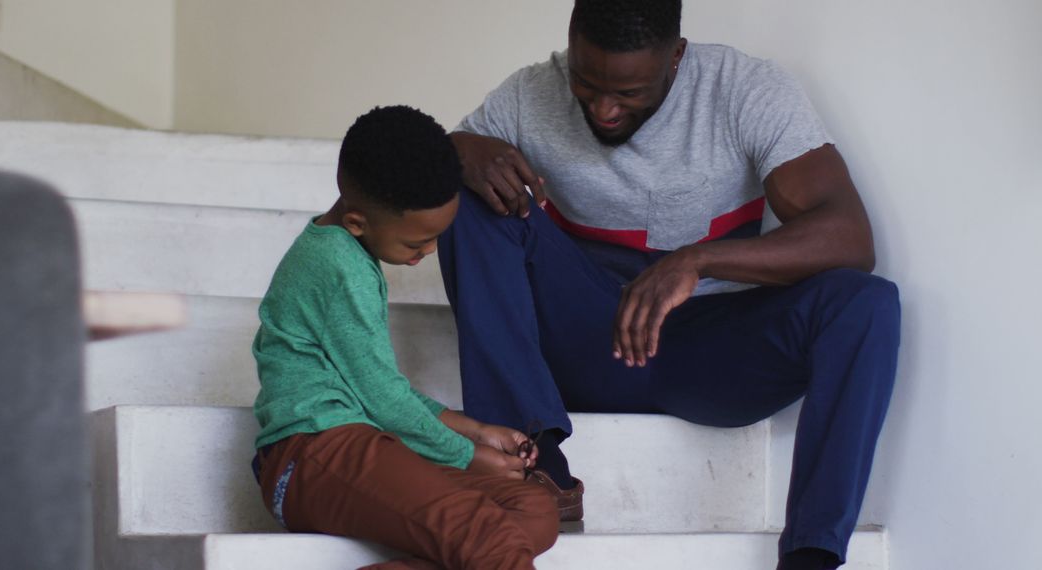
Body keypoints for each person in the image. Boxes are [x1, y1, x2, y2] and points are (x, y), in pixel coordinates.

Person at [438, 1, 900, 569]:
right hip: (590, 341)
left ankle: (811, 555)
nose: (604, 109)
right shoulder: (530, 92)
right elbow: (426, 171)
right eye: (587, 84)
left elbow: (851, 238)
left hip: (714, 355)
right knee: (467, 197)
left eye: (629, 93)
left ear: (675, 57)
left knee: (866, 303)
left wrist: (698, 260)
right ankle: (532, 470)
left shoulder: (745, 91)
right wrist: (457, 149)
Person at [250, 105, 559, 570]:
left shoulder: (348, 252)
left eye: (436, 237)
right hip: (313, 454)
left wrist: (475, 429)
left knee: (533, 511)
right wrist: (468, 455)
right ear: (357, 222)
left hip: (360, 445)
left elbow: (379, 389)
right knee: (485, 532)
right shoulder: (337, 267)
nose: (429, 252)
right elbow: (383, 400)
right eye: (416, 244)